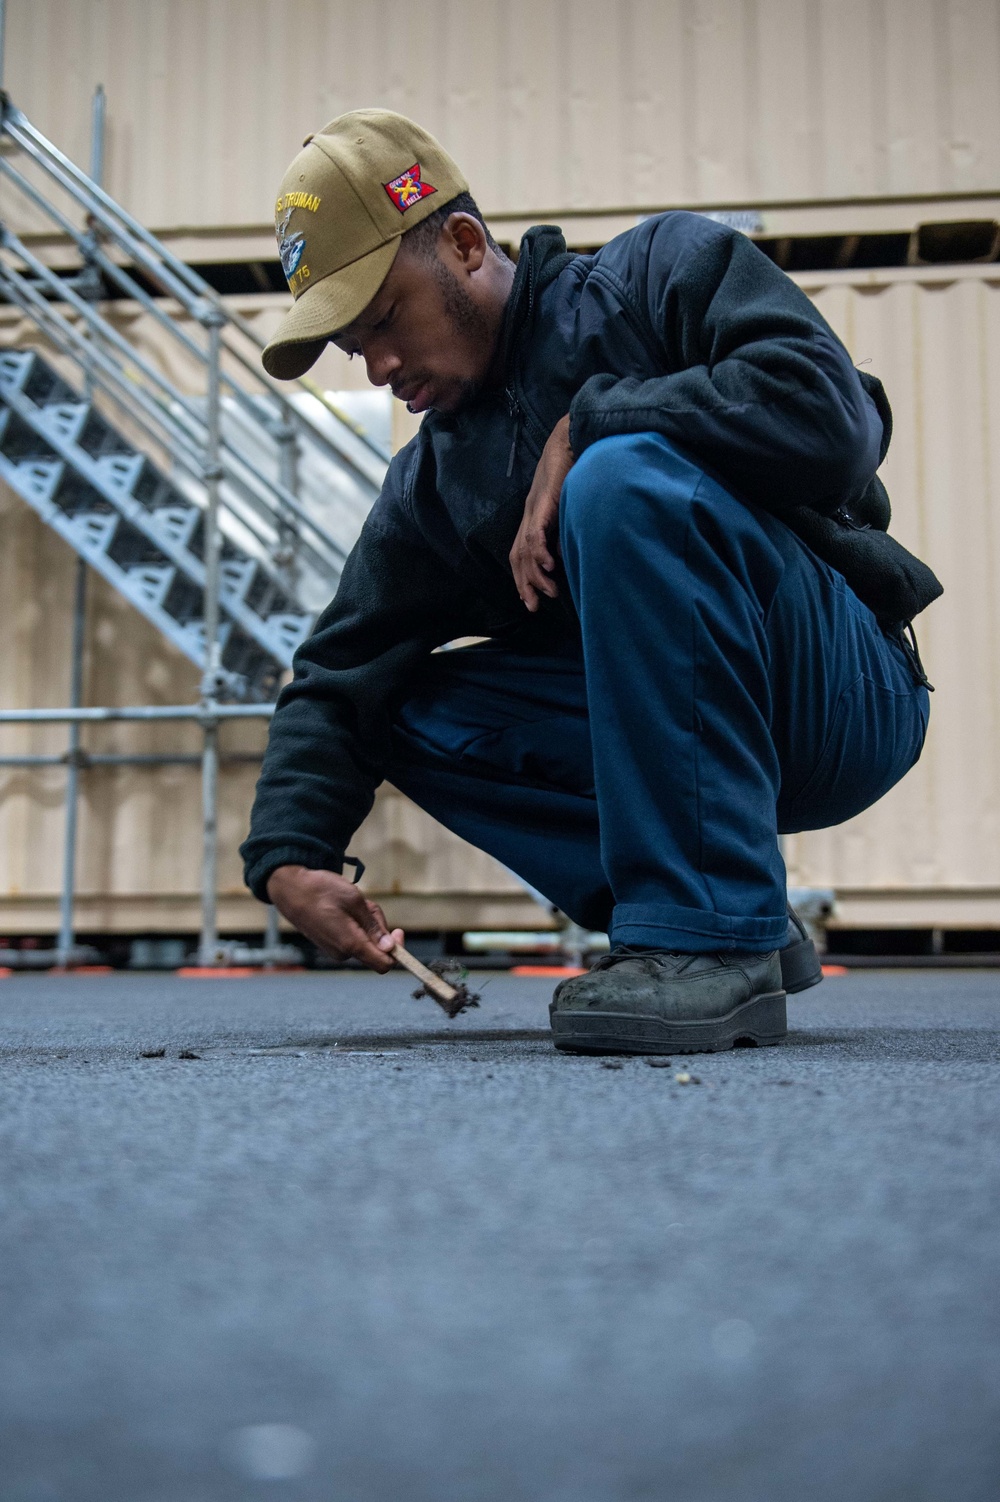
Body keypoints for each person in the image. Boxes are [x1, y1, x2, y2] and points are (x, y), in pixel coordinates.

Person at [241, 110, 941, 1056]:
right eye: (350, 348)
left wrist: (594, 421)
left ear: (461, 241)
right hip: (680, 741)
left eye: (382, 321)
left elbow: (833, 417)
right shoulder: (436, 485)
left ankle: (707, 934)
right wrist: (290, 855)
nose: (378, 368)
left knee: (624, 477)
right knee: (396, 699)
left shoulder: (658, 274)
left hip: (838, 693)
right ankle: (721, 908)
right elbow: (339, 670)